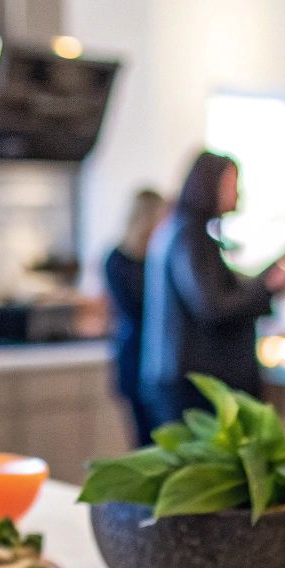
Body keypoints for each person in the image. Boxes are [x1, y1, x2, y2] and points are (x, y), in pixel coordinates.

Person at [138, 152, 285, 428]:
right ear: (210, 184)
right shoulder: (189, 236)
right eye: (231, 183)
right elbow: (213, 305)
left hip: (181, 377)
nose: (238, 192)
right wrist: (268, 286)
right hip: (192, 384)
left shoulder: (183, 230)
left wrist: (271, 274)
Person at [104, 188, 167, 445]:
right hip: (135, 358)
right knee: (145, 443)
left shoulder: (157, 257)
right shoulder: (119, 260)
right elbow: (137, 309)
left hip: (156, 360)